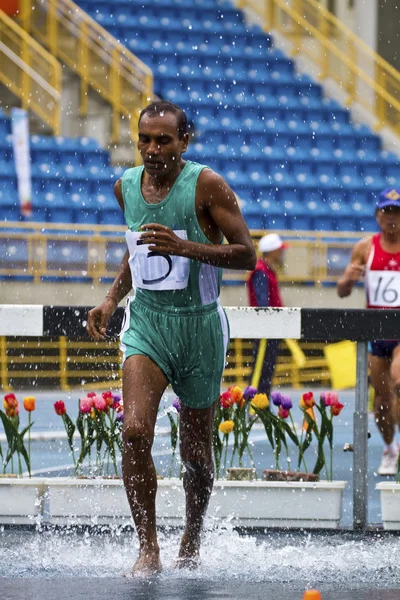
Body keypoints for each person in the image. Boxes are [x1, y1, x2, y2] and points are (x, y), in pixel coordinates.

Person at [86, 100, 256, 575]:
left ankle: (191, 537)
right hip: (148, 324)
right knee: (135, 430)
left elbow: (247, 256)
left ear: (185, 141)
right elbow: (138, 251)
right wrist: (111, 299)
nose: (153, 149)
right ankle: (148, 547)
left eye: (164, 140)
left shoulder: (207, 185)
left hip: (199, 328)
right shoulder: (125, 187)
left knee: (195, 455)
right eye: (145, 139)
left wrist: (186, 247)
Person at [337, 188, 400, 476]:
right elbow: (342, 291)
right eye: (387, 212)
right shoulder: (365, 248)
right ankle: (390, 448)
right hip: (376, 330)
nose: (392, 218)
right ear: (377, 216)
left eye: (397, 213)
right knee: (382, 402)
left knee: (399, 382)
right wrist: (349, 277)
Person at [246, 233, 287, 397]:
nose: (281, 253)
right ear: (272, 251)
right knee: (262, 368)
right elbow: (263, 303)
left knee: (265, 368)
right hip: (266, 327)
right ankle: (255, 404)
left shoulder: (266, 270)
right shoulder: (261, 272)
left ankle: (259, 403)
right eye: (279, 250)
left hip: (270, 326)